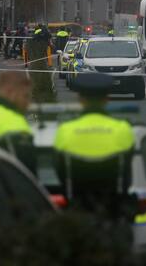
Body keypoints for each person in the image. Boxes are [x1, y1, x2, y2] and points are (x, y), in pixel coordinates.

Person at [54, 73, 135, 219]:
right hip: (113, 216)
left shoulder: (64, 131)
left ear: (80, 99)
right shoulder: (123, 130)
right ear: (107, 99)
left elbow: (60, 173)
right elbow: (127, 174)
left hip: (76, 218)